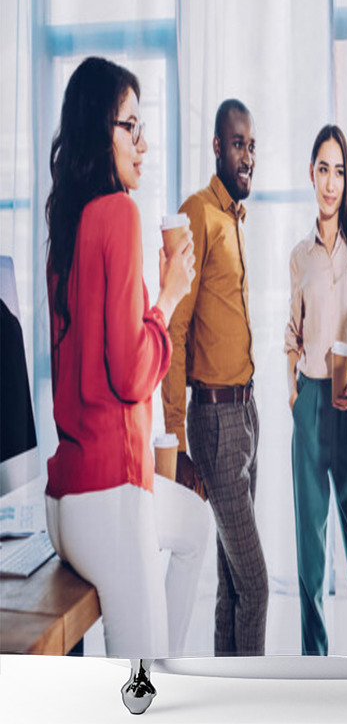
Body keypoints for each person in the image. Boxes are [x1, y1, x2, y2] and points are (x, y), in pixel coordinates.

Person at [44, 56, 196, 657]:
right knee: (143, 693)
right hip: (110, 498)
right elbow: (131, 375)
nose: (143, 142)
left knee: (195, 531)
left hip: (66, 507)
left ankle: (163, 652)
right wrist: (168, 296)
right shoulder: (120, 213)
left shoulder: (68, 225)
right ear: (99, 131)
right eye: (130, 126)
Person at [162, 99, 268, 656]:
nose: (247, 154)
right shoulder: (197, 213)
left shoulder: (235, 218)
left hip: (247, 413)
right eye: (237, 143)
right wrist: (177, 440)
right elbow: (174, 331)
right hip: (215, 422)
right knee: (256, 584)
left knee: (233, 584)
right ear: (216, 147)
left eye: (251, 145)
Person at [285, 124, 347, 656]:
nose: (331, 182)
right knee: (309, 559)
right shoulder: (299, 257)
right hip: (310, 407)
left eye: (339, 171)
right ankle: (313, 669)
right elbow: (291, 335)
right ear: (311, 174)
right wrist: (294, 394)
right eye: (323, 169)